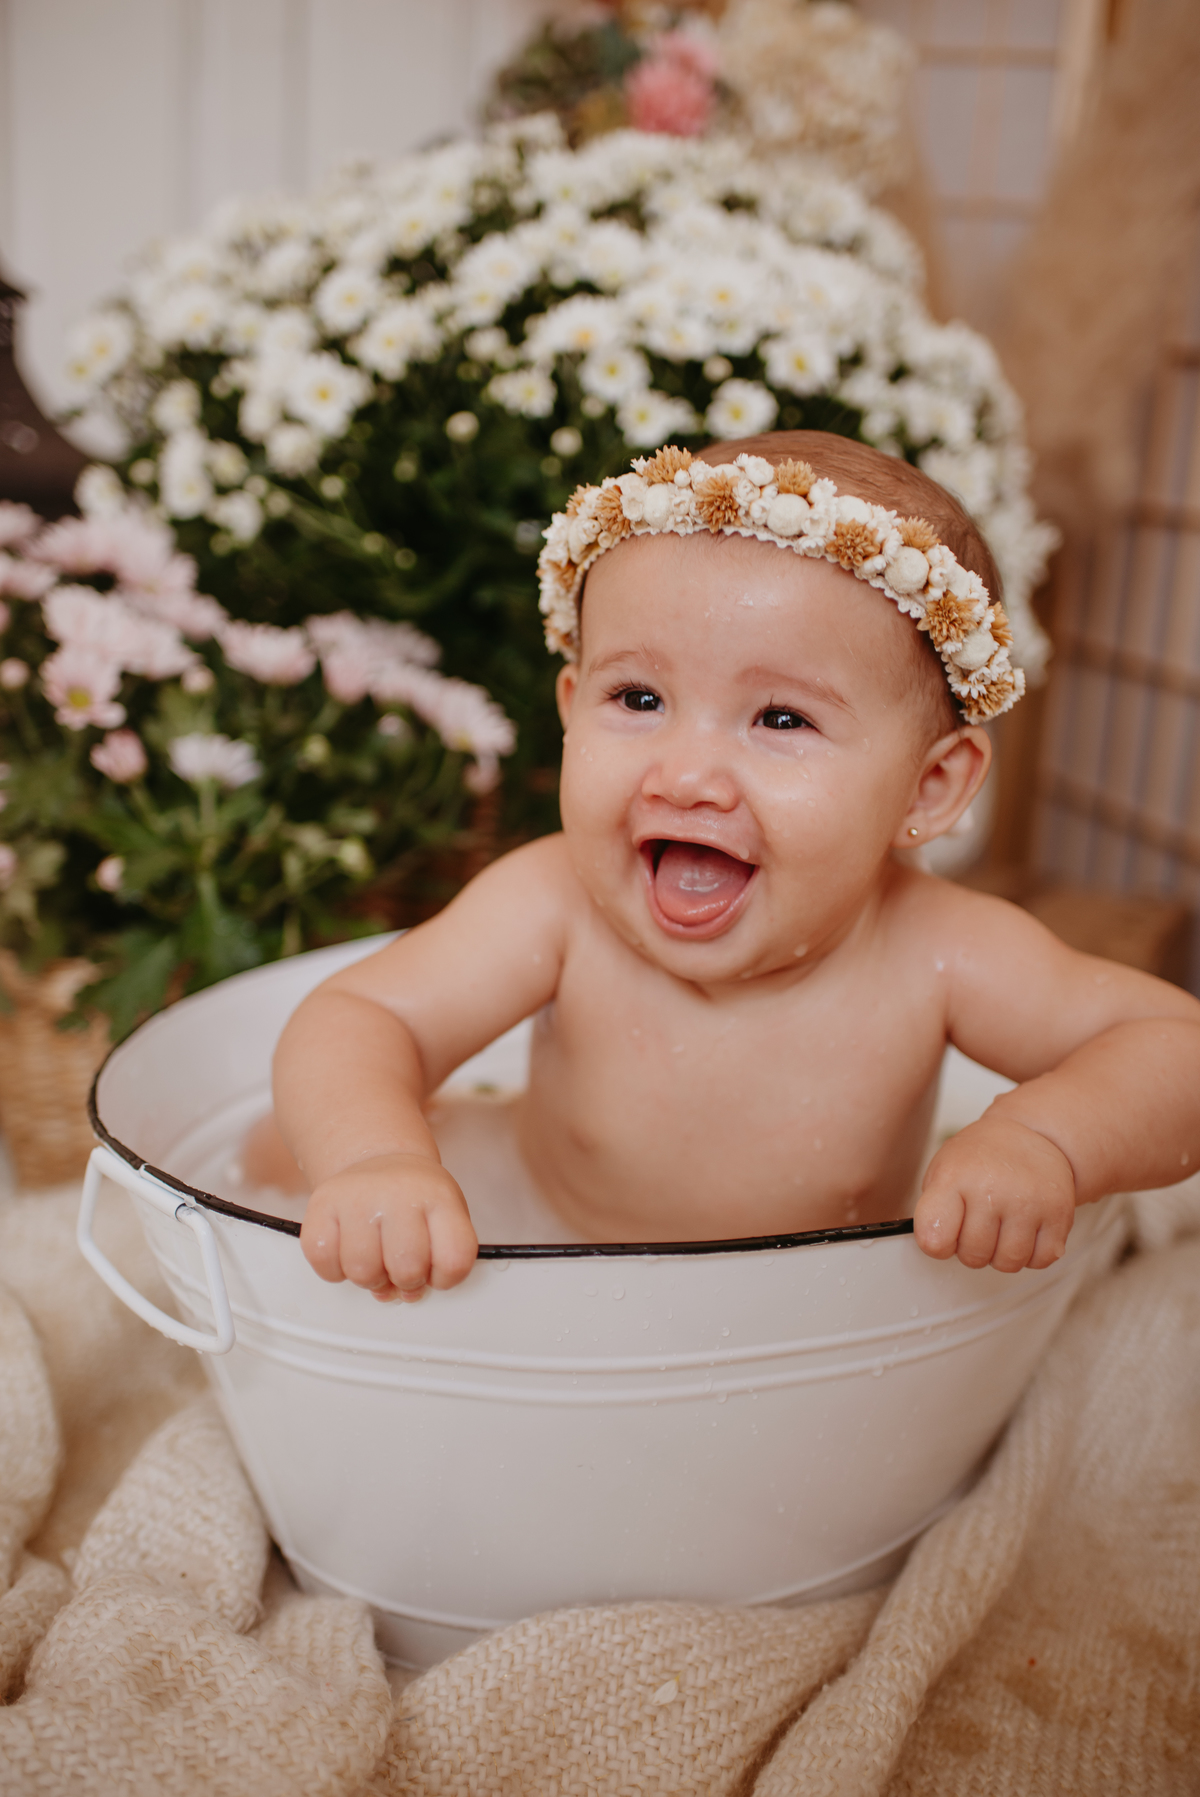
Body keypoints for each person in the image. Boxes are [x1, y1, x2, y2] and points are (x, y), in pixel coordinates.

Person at [268, 430, 1200, 1303]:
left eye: (781, 719)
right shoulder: (554, 904)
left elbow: (1175, 1049)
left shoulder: (936, 949)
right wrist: (373, 1158)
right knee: (272, 1156)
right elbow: (360, 1015)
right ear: (569, 702)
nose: (687, 775)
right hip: (546, 1273)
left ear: (928, 789)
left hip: (797, 1335)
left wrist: (1045, 1137)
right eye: (639, 697)